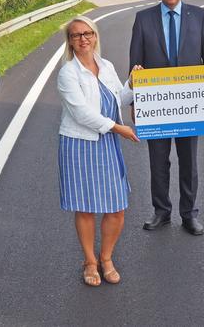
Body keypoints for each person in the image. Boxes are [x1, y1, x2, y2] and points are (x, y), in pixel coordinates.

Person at [129, 0, 204, 236]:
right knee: (158, 160)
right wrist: (136, 102)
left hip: (190, 105)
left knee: (189, 161)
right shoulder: (143, 19)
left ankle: (189, 214)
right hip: (156, 106)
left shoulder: (200, 16)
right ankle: (161, 211)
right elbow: (135, 65)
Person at [57, 16, 139, 287]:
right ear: (70, 41)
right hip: (81, 142)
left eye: (88, 33)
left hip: (107, 140)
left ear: (95, 36)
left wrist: (133, 83)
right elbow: (81, 114)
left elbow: (119, 98)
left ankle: (106, 258)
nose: (83, 39)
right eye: (77, 35)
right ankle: (90, 262)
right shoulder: (68, 73)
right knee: (86, 208)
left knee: (116, 208)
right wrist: (120, 129)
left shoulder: (106, 66)